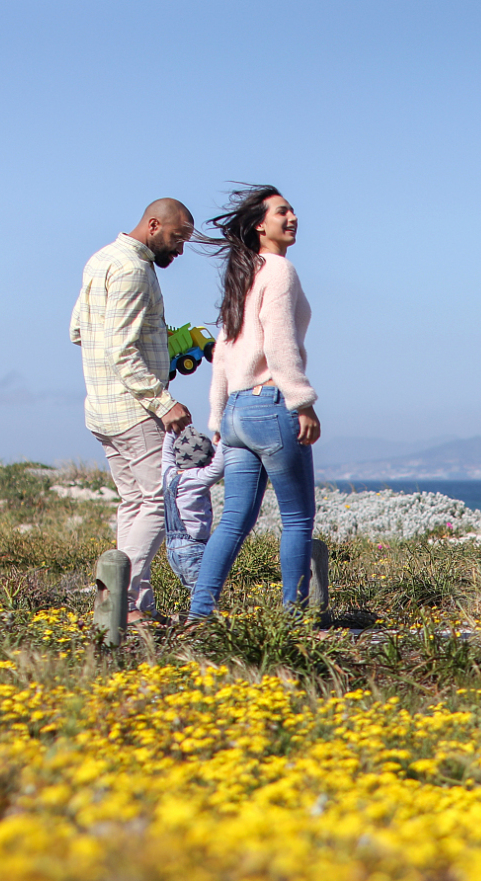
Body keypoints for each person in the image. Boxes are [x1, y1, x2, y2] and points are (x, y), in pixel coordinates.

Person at [185, 186, 320, 621]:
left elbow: (222, 353)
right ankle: (293, 619)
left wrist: (217, 416)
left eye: (293, 210)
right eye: (282, 212)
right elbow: (280, 343)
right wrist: (302, 401)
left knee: (233, 521)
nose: (293, 217)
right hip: (271, 406)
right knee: (297, 520)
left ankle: (200, 613)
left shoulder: (243, 275)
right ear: (261, 224)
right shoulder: (279, 270)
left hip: (238, 413)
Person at [70, 197, 195, 624]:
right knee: (160, 503)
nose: (179, 250)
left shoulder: (101, 259)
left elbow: (77, 332)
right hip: (135, 410)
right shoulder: (133, 269)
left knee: (134, 503)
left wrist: (157, 355)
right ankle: (119, 603)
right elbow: (120, 350)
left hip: (102, 406)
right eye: (177, 239)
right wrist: (163, 401)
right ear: (154, 225)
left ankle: (132, 605)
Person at [160, 430, 226, 591]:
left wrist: (171, 431)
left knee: (196, 591)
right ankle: (199, 617)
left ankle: (196, 615)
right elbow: (220, 466)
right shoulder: (197, 478)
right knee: (204, 592)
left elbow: (166, 453)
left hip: (172, 549)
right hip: (193, 546)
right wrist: (225, 437)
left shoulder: (169, 474)